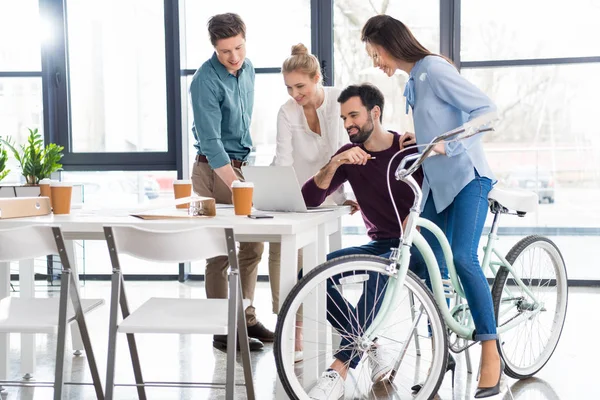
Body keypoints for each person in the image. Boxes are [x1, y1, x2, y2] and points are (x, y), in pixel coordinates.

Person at [361, 14, 501, 398]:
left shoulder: (434, 69)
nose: (377, 63)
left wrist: (448, 144)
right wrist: (419, 138)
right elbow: (438, 122)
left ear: (389, 44)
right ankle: (444, 352)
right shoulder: (414, 80)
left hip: (469, 178)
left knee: (461, 257)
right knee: (421, 263)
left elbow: (486, 112)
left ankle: (492, 352)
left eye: (376, 54)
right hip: (440, 188)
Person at [301, 83, 421, 400]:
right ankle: (368, 342)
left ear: (375, 113)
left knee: (378, 275)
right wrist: (337, 163)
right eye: (343, 118)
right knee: (311, 276)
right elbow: (308, 199)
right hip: (378, 246)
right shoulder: (349, 156)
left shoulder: (407, 148)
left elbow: (434, 199)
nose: (348, 124)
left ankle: (337, 370)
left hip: (413, 248)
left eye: (353, 115)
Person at [188, 13, 273, 352]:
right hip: (214, 170)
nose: (234, 57)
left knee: (253, 245)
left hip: (241, 166)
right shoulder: (203, 81)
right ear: (214, 48)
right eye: (225, 52)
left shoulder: (247, 69)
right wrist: (236, 183)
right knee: (220, 252)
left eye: (238, 47)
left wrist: (245, 174)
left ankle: (246, 317)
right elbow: (211, 142)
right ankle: (224, 328)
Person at [269, 43, 359, 315]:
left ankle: (337, 324)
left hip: (332, 198)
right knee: (289, 258)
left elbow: (350, 151)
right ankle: (290, 327)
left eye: (300, 87)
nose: (294, 94)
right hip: (298, 197)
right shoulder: (286, 111)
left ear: (317, 79)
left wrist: (354, 195)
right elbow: (283, 160)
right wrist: (279, 196)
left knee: (324, 266)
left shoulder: (340, 101)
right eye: (289, 88)